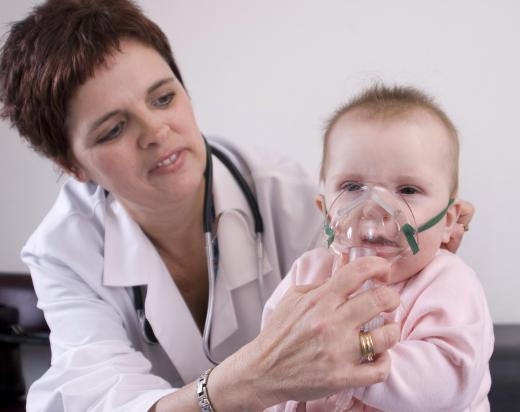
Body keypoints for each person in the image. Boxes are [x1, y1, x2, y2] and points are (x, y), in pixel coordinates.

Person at [0, 1, 472, 411]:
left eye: (163, 98)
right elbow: (103, 396)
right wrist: (246, 382)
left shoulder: (286, 196)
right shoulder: (64, 250)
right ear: (72, 164)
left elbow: (401, 326)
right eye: (113, 129)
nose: (156, 132)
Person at [262, 85, 493, 411]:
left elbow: (449, 381)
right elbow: (274, 362)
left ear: (449, 221)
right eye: (352, 186)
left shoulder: (449, 283)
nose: (374, 208)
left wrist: (343, 360)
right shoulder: (307, 275)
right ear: (323, 209)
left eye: (408, 189)